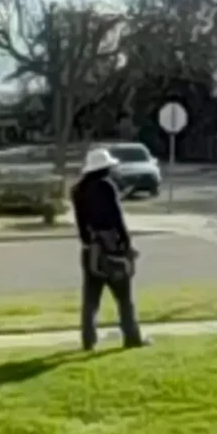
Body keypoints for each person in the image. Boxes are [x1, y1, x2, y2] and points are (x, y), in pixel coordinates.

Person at [71, 147, 148, 350]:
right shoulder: (106, 186)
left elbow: (81, 225)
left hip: (91, 250)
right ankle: (132, 337)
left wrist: (88, 242)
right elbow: (117, 219)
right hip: (111, 248)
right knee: (124, 297)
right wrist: (127, 246)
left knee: (90, 298)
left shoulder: (78, 190)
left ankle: (88, 339)